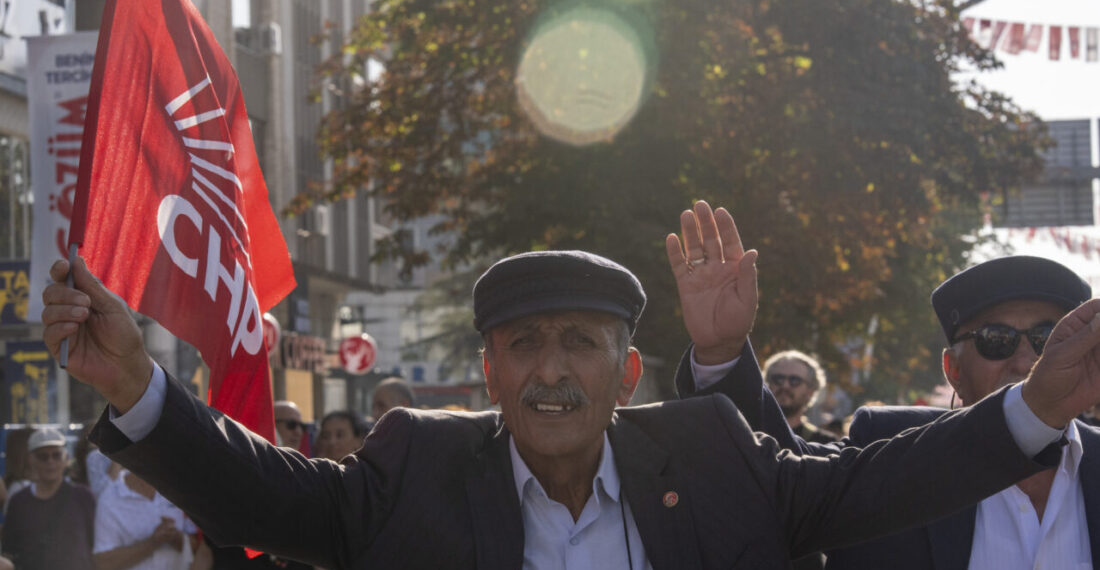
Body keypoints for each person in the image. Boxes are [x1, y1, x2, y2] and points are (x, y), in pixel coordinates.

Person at [39, 202, 1100, 569]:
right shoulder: (415, 464)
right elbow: (267, 495)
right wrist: (143, 388)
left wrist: (1033, 403)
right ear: (489, 369)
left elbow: (883, 481)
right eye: (526, 343)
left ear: (627, 371)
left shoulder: (715, 456)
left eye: (581, 343)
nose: (552, 368)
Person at [673, 203, 1099, 569]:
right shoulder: (888, 442)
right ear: (952, 370)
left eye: (1047, 340)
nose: (1026, 362)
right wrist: (724, 353)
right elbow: (774, 491)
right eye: (997, 341)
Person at [1, 427, 95, 570]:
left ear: (66, 458)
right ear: (31, 460)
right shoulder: (18, 502)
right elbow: (9, 551)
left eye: (56, 455)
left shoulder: (83, 497)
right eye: (43, 456)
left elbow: (97, 546)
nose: (50, 462)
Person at [93, 469, 196, 570]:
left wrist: (176, 537)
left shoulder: (180, 490)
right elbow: (103, 564)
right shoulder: (110, 499)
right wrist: (152, 543)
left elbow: (202, 550)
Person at [762, 350, 838, 444]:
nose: (785, 386)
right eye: (778, 379)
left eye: (794, 380)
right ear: (767, 384)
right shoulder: (748, 435)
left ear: (810, 391)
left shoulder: (825, 443)